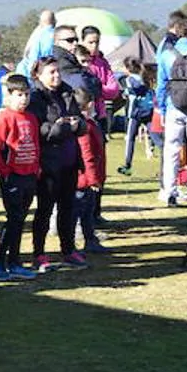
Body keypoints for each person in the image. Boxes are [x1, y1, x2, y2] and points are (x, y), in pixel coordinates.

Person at [29, 57, 87, 272]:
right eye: (51, 72)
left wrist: (77, 124)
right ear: (39, 75)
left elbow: (81, 123)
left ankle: (69, 249)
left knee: (68, 208)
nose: (56, 76)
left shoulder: (67, 93)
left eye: (57, 72)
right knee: (44, 209)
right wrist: (61, 127)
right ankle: (39, 253)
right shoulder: (36, 98)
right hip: (48, 163)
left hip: (70, 160)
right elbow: (40, 129)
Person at [0, 75, 42, 282]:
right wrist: (5, 172)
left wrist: (36, 169)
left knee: (20, 220)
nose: (24, 99)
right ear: (8, 95)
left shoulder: (31, 118)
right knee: (13, 219)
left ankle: (15, 262)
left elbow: (35, 145)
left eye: (26, 94)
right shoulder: (3, 119)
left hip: (29, 176)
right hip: (12, 177)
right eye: (19, 95)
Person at [156, 17, 187, 207]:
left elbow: (161, 85)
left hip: (173, 106)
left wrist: (161, 108)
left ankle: (170, 191)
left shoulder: (167, 54)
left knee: (171, 151)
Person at [73, 88, 109, 254]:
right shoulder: (84, 127)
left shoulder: (89, 124)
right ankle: (79, 241)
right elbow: (87, 155)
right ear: (90, 104)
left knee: (88, 211)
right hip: (84, 180)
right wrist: (93, 179)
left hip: (89, 177)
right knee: (81, 211)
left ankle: (90, 239)